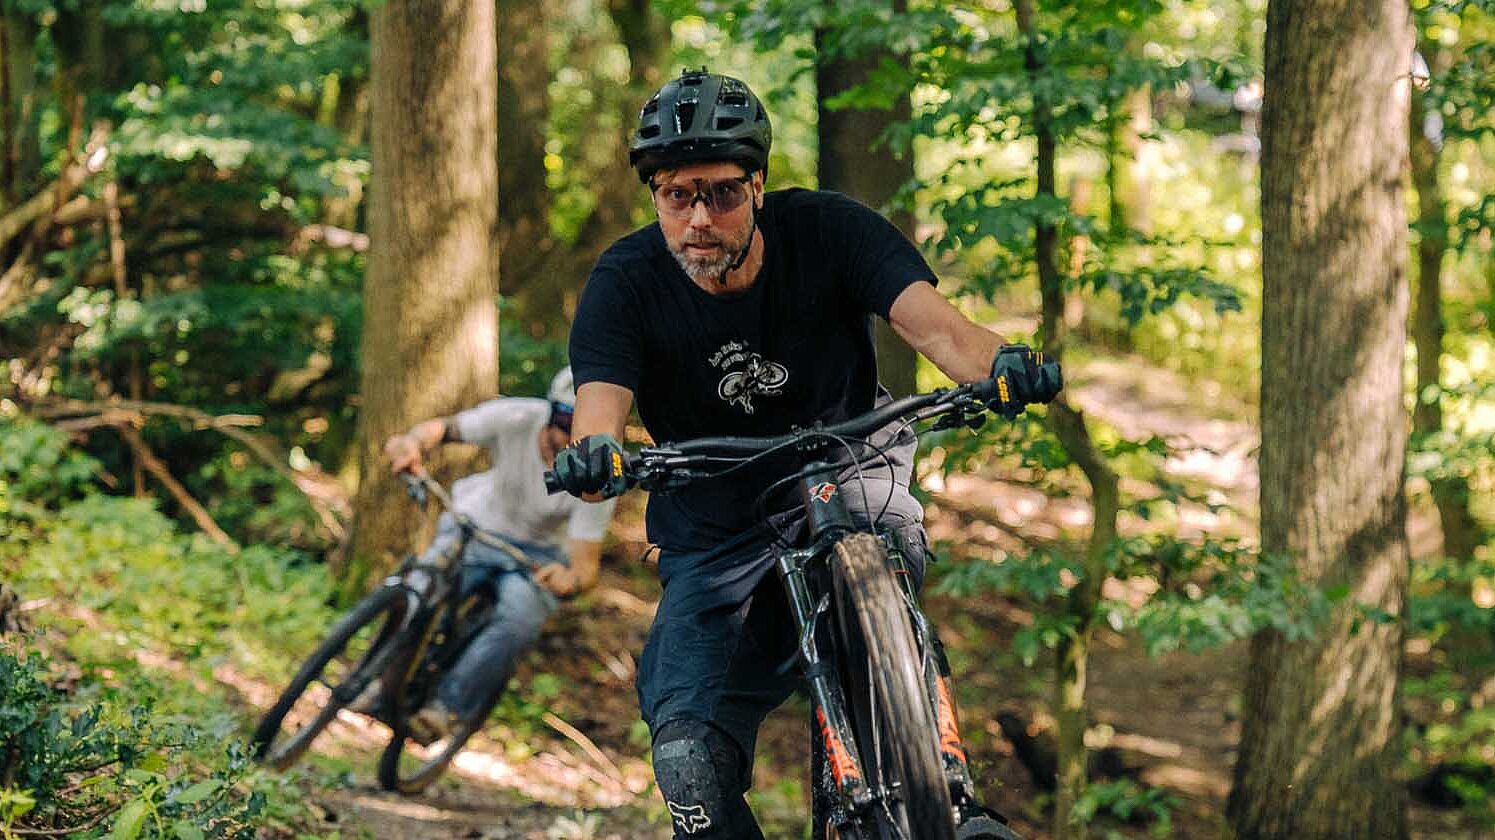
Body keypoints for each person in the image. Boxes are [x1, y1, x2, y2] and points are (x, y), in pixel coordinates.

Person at [550, 69, 1059, 840]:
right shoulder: (625, 282)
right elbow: (599, 408)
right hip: (716, 527)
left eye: (721, 193)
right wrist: (594, 457)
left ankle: (946, 797)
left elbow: (942, 332)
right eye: (676, 196)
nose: (698, 218)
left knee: (874, 568)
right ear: (654, 196)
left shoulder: (830, 230)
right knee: (688, 760)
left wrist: (1005, 365)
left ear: (758, 185)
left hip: (849, 472)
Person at [380, 366, 617, 741]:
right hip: (476, 524)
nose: (570, 435)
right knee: (419, 588)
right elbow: (445, 429)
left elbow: (585, 568)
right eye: (565, 420)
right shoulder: (516, 417)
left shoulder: (598, 475)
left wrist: (569, 580)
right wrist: (412, 442)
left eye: (584, 430)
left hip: (536, 557)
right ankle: (376, 679)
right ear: (550, 412)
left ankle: (446, 709)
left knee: (518, 621)